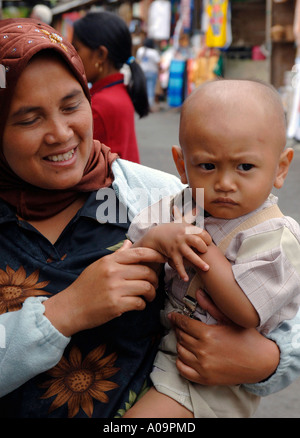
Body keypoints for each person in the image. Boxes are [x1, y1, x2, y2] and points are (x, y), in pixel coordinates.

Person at [0, 19, 300, 419]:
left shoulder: (166, 197)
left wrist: (266, 360)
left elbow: (283, 309)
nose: (60, 132)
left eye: (72, 105)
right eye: (28, 118)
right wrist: (67, 311)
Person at [125, 79, 300, 418]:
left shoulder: (278, 238)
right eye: (207, 166)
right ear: (182, 164)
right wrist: (157, 239)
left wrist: (197, 242)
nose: (224, 183)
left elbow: (247, 311)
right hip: (161, 351)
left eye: (245, 167)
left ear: (280, 168)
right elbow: (136, 246)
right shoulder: (183, 204)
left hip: (212, 380)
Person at [72, 11, 149, 164]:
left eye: (76, 49)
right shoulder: (116, 91)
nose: (72, 56)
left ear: (100, 54)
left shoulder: (100, 104)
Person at [136, 38, 161, 109]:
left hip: (142, 72)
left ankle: (142, 104)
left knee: (143, 88)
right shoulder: (154, 52)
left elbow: (138, 60)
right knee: (150, 89)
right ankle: (149, 105)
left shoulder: (140, 50)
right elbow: (158, 62)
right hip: (152, 72)